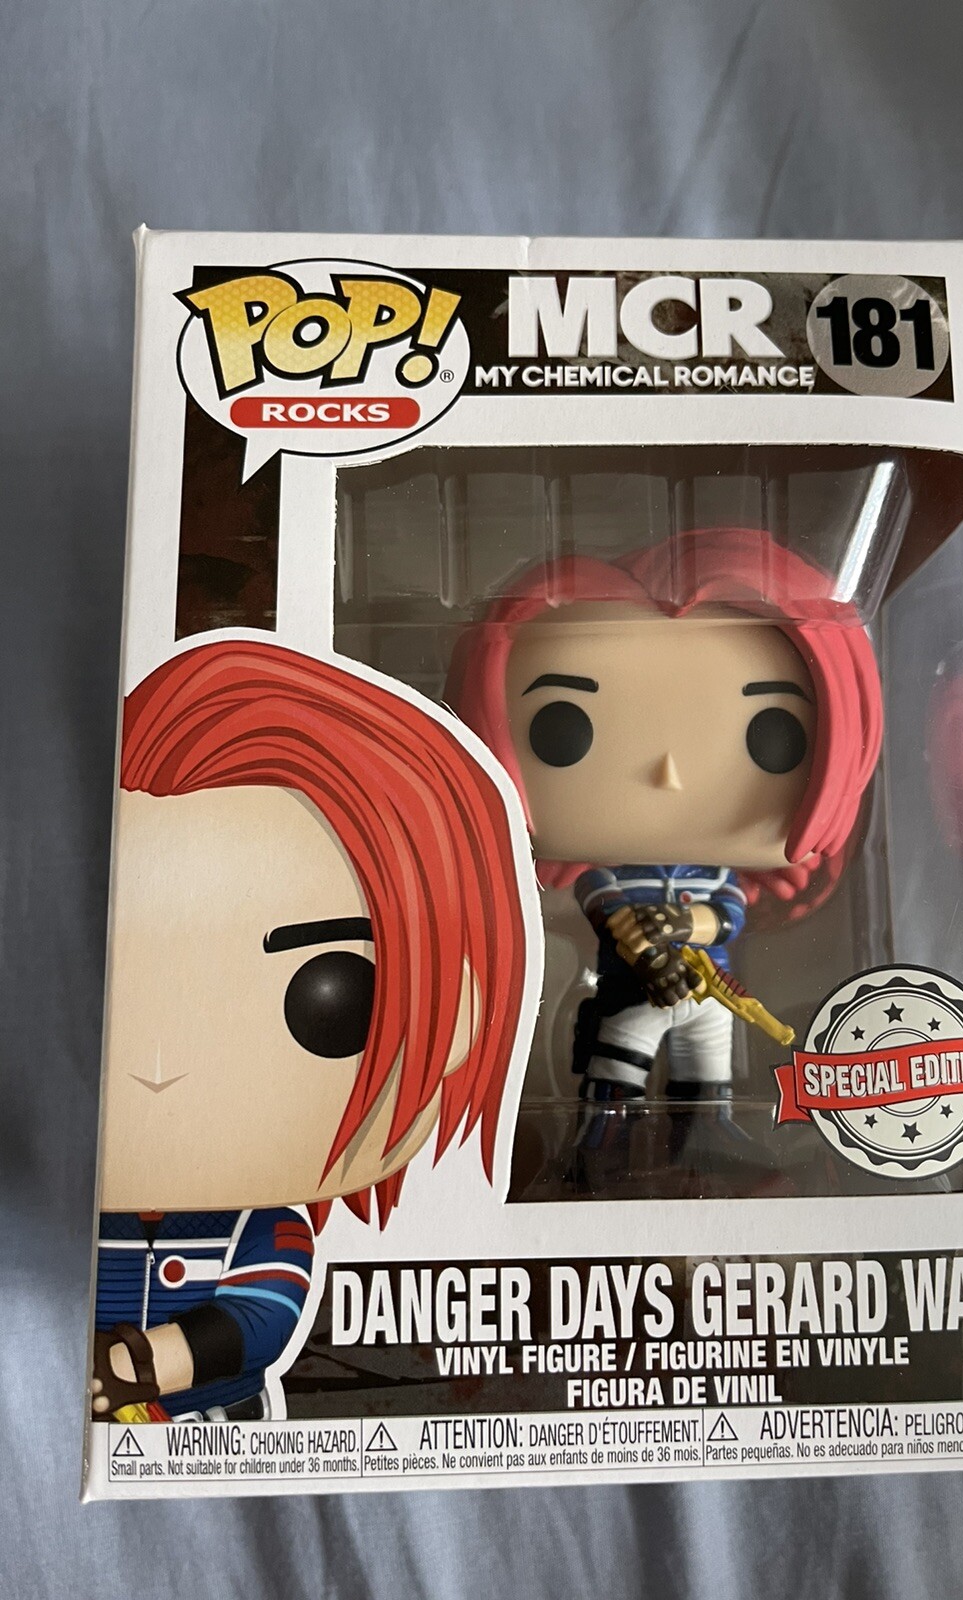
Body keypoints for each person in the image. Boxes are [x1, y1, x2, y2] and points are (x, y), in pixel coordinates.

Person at [92, 639, 530, 1421]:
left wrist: (144, 1364)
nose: (157, 1067)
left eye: (326, 1001)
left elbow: (260, 1320)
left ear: (460, 1020)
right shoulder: (54, 1216)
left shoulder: (263, 1232)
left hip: (220, 1440)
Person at [450, 527, 882, 1110]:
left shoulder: (717, 879)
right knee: (615, 1077)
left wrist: (680, 925)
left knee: (708, 1084)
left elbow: (726, 919)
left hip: (707, 992)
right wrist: (652, 945)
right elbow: (610, 916)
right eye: (563, 727)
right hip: (635, 991)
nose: (669, 771)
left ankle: (709, 1131)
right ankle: (603, 1132)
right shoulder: (607, 879)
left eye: (770, 734)